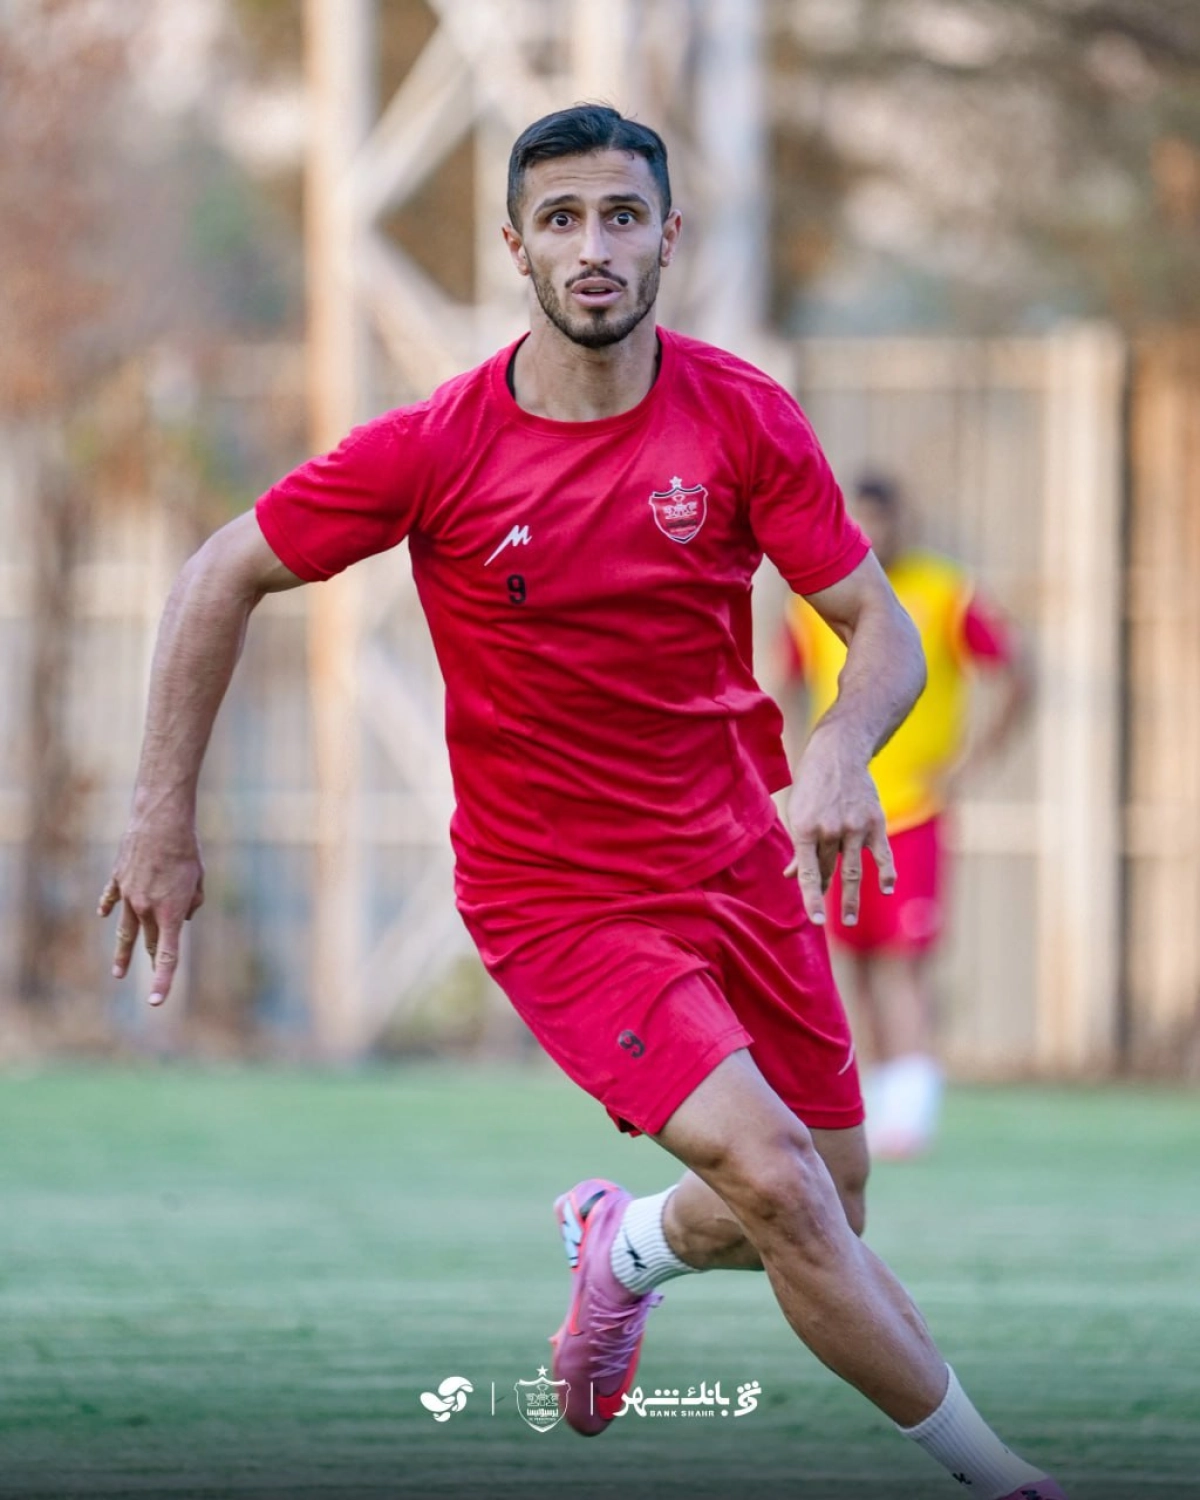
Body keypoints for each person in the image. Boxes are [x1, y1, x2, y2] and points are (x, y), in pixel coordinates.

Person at [98, 106, 1066, 1498]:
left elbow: (880, 624)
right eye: (561, 219)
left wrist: (844, 746)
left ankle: (625, 1248)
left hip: (738, 863)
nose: (593, 246)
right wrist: (158, 820)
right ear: (517, 247)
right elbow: (218, 573)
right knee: (782, 1183)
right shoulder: (439, 447)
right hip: (558, 899)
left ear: (670, 236)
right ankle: (1006, 1477)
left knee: (832, 1201)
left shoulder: (741, 416)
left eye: (621, 216)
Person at [785, 475, 1032, 1158]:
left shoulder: (944, 592)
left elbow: (1017, 671)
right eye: (859, 521)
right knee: (854, 964)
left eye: (881, 521)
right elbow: (786, 680)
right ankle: (870, 1100)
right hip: (839, 807)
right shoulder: (813, 596)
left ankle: (911, 1107)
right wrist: (801, 768)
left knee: (905, 963)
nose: (872, 534)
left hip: (914, 811)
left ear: (902, 522)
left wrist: (971, 763)